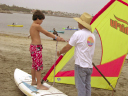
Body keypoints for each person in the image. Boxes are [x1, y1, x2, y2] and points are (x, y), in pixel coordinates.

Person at [57, 12, 95, 96]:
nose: (77, 23)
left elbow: (67, 47)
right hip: (89, 66)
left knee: (81, 87)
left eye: (79, 22)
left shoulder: (78, 34)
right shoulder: (92, 36)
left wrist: (59, 52)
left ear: (81, 23)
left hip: (81, 65)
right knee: (87, 87)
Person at [29, 10, 65, 90]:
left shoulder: (32, 25)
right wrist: (57, 37)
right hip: (36, 48)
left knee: (34, 65)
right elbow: (47, 33)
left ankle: (33, 81)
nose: (42, 22)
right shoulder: (36, 26)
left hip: (32, 47)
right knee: (38, 67)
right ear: (38, 18)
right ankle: (39, 84)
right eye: (41, 20)